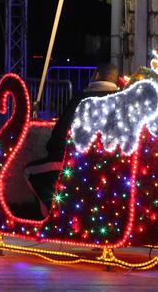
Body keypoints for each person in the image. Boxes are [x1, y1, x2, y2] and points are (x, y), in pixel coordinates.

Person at [24, 63, 122, 212]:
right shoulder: (122, 103)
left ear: (95, 76)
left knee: (29, 172)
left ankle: (50, 215)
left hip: (74, 164)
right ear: (117, 80)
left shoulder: (80, 100)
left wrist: (52, 150)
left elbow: (59, 136)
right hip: (111, 168)